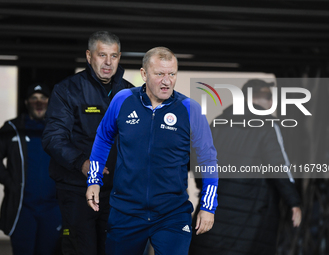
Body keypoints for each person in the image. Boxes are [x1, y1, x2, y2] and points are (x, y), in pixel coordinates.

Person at [86, 46, 219, 255]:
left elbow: (208, 159)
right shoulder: (122, 100)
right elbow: (103, 138)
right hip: (126, 212)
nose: (167, 81)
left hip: (172, 213)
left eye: (172, 74)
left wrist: (208, 206)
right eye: (159, 74)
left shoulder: (190, 109)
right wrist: (94, 180)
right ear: (144, 74)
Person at [42, 31, 134, 255]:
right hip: (76, 190)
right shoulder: (67, 90)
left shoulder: (131, 94)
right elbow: (53, 138)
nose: (108, 63)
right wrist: (83, 164)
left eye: (113, 56)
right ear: (89, 55)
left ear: (120, 57)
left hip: (117, 194)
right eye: (102, 55)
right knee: (81, 250)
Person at [189, 79, 302, 255]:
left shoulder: (218, 122)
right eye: (268, 96)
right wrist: (293, 201)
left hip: (212, 215)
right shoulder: (267, 126)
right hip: (250, 218)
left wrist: (202, 186)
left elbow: (197, 159)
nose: (273, 102)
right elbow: (279, 166)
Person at [0, 83, 62, 255]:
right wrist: (10, 182)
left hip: (52, 209)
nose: (39, 103)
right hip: (22, 209)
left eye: (43, 98)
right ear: (26, 102)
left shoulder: (59, 130)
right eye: (34, 99)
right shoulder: (12, 128)